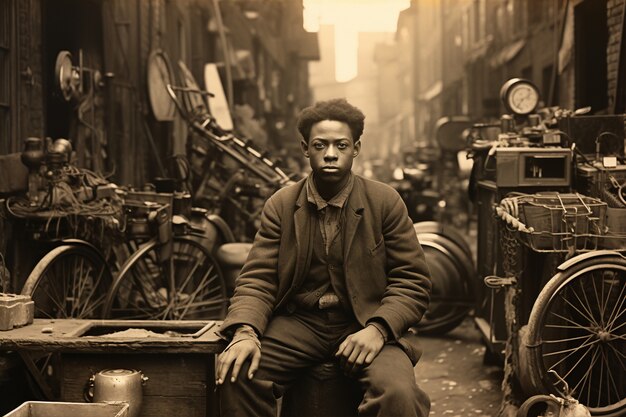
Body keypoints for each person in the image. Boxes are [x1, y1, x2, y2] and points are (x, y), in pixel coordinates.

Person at [216, 98, 432, 417]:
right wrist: (245, 332)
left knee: (398, 394)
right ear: (306, 148)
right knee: (238, 374)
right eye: (320, 144)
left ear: (355, 148)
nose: (330, 154)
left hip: (364, 320)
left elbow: (412, 281)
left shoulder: (385, 202)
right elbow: (258, 279)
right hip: (299, 322)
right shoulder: (281, 205)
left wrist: (380, 329)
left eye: (341, 145)